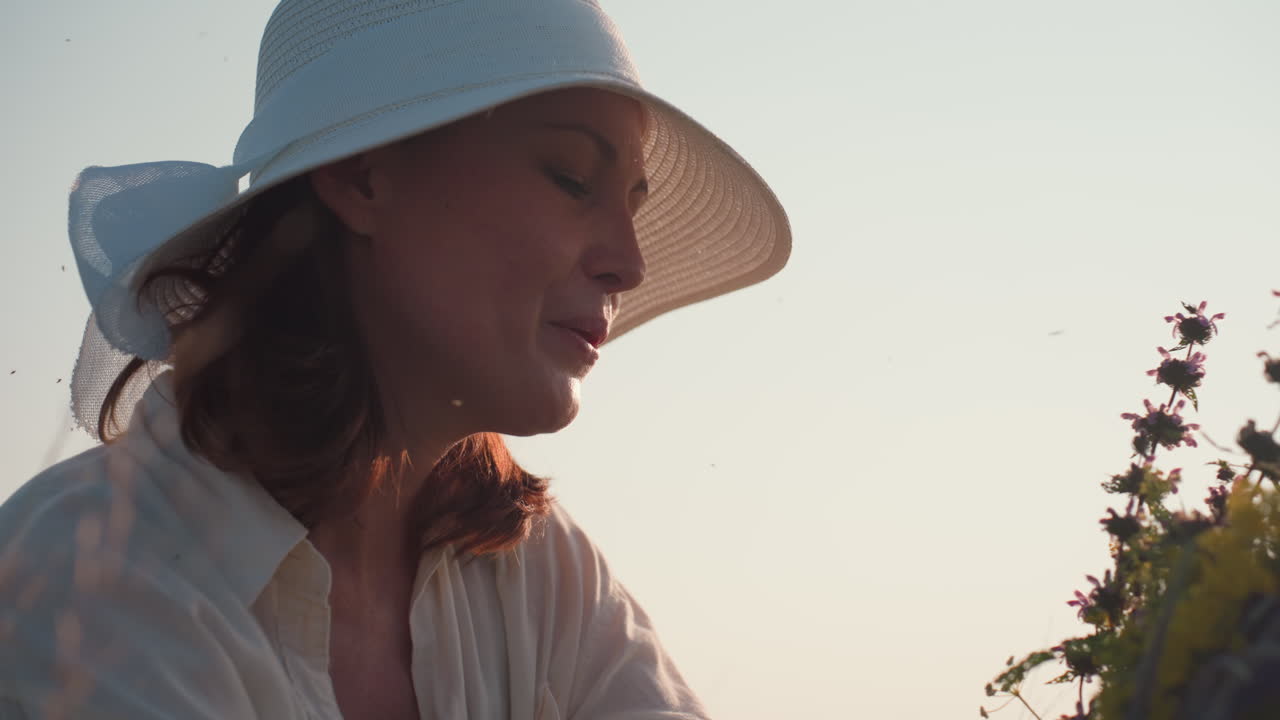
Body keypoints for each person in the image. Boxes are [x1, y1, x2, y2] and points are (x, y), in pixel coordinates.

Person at [0, 1, 790, 718]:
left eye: (634, 203)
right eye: (571, 178)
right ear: (362, 176)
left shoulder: (537, 575)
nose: (630, 262)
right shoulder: (87, 579)